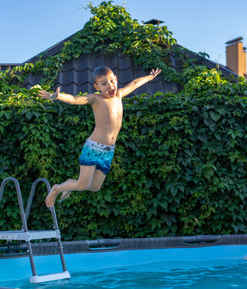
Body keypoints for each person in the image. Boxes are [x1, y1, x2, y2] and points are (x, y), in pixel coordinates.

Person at [38, 66, 161, 208]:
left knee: (95, 187)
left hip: (109, 150)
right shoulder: (96, 99)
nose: (110, 86)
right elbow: (74, 99)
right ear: (97, 87)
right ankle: (57, 189)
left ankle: (70, 186)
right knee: (82, 183)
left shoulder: (119, 95)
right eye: (104, 84)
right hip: (94, 147)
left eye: (111, 81)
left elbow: (134, 83)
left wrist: (150, 77)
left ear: (116, 78)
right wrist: (58, 96)